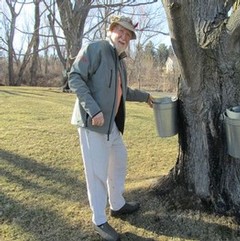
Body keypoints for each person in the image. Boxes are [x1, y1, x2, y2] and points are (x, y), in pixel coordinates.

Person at [68, 15, 153, 241]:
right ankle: (99, 220)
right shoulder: (95, 48)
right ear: (112, 30)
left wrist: (146, 97)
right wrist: (94, 110)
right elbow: (75, 77)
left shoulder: (119, 61)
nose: (124, 37)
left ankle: (117, 204)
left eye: (128, 35)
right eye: (121, 32)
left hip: (111, 126)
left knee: (119, 160)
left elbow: (124, 91)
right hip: (92, 124)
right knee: (96, 174)